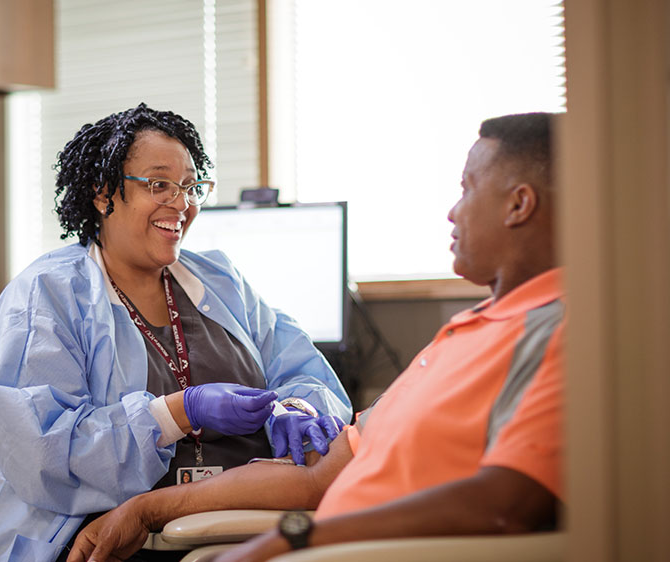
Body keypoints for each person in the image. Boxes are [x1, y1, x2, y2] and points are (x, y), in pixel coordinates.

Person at [68, 112, 564, 562]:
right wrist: (148, 500)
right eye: (158, 185)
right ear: (103, 193)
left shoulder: (558, 335)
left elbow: (505, 504)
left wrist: (295, 532)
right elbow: (316, 476)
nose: (453, 212)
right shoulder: (470, 330)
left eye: (468, 189)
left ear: (519, 204)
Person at [0, 103, 351, 562]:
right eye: (159, 185)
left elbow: (302, 368)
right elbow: (43, 455)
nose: (181, 204)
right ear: (104, 194)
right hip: (99, 544)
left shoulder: (219, 281)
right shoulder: (47, 298)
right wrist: (177, 413)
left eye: (190, 187)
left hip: (230, 531)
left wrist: (297, 408)